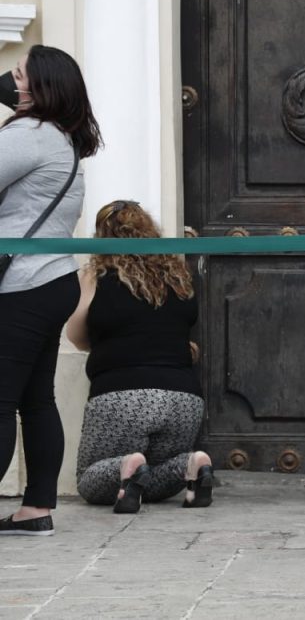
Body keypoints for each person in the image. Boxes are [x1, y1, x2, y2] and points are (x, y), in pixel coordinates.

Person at [0, 46, 102, 536]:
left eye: (17, 75)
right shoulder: (62, 141)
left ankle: (35, 506)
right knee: (35, 399)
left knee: (2, 399)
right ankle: (36, 506)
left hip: (21, 283)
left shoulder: (29, 135)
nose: (8, 80)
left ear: (37, 88)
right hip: (54, 278)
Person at [64, 201, 213, 513]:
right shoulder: (177, 276)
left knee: (89, 481)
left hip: (122, 397)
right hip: (184, 399)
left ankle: (125, 466)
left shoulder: (96, 275)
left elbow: (76, 337)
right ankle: (192, 464)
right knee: (148, 479)